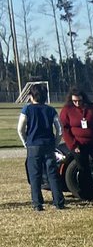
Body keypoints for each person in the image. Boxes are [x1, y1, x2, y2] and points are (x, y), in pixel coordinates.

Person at [17, 83, 65, 211]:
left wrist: (25, 142)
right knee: (52, 174)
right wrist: (55, 143)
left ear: (31, 96)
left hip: (33, 145)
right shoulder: (50, 110)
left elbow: (20, 128)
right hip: (48, 144)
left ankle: (37, 203)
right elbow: (60, 129)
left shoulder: (27, 109)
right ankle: (59, 202)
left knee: (35, 175)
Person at [59, 86, 93, 196]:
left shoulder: (92, 108)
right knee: (82, 167)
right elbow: (64, 129)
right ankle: (86, 192)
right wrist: (73, 145)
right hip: (78, 144)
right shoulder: (67, 110)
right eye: (74, 101)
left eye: (79, 100)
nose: (77, 103)